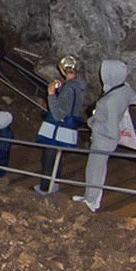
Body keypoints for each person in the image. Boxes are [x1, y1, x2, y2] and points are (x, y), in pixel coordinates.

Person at [72, 59, 136, 212]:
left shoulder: (109, 101)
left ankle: (91, 201)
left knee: (94, 170)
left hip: (103, 140)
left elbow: (110, 129)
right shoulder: (124, 89)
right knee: (98, 169)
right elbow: (135, 98)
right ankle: (91, 197)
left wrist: (92, 122)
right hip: (108, 139)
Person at [35, 55, 87, 195]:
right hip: (68, 127)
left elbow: (58, 113)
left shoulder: (70, 89)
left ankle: (46, 187)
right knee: (57, 156)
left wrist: (51, 94)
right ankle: (54, 182)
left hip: (58, 129)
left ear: (63, 70)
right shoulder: (79, 86)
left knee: (49, 157)